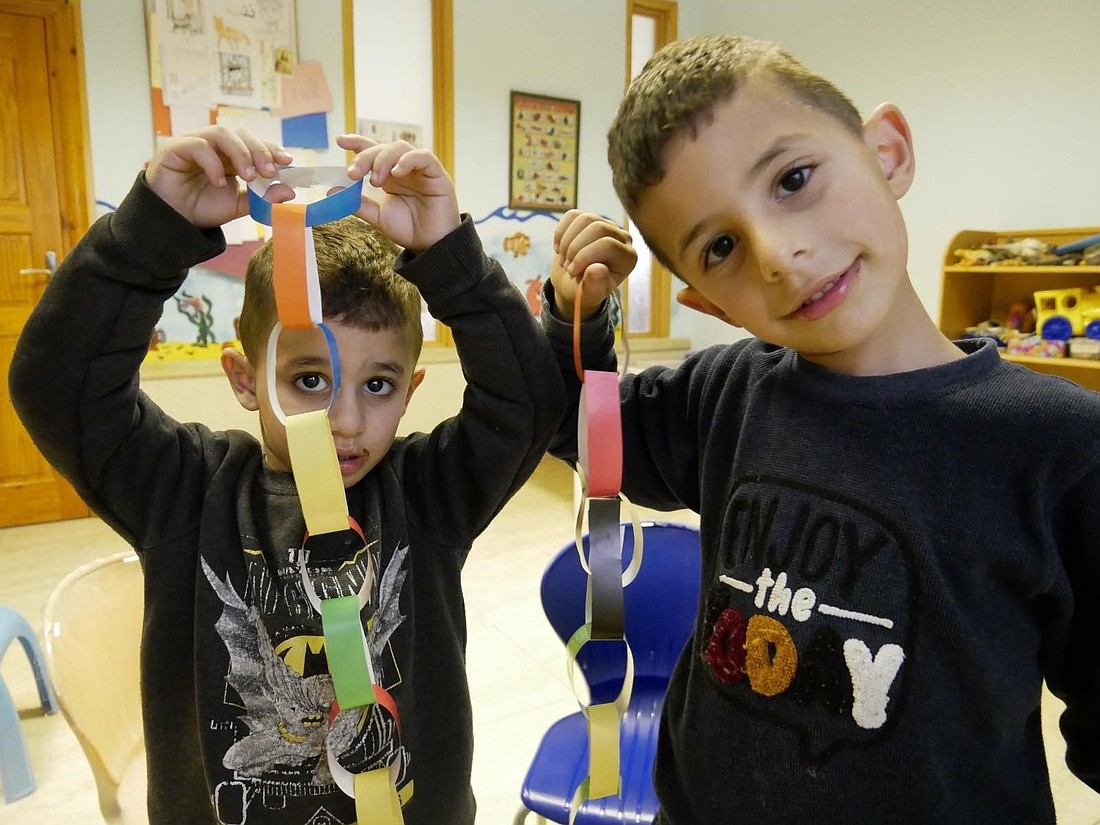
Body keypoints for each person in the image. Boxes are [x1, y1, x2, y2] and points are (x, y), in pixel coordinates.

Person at [542, 34, 1100, 824]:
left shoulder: (1061, 447)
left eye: (793, 179)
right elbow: (586, 432)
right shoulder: (725, 394)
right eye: (722, 247)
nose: (777, 255)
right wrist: (578, 318)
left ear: (889, 152)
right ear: (708, 300)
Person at [9, 126, 569, 825]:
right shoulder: (184, 491)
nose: (344, 419)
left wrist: (449, 254)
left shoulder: (428, 493)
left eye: (379, 385)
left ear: (413, 386)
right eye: (309, 378)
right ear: (245, 379)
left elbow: (527, 405)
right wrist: (152, 227)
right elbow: (57, 385)